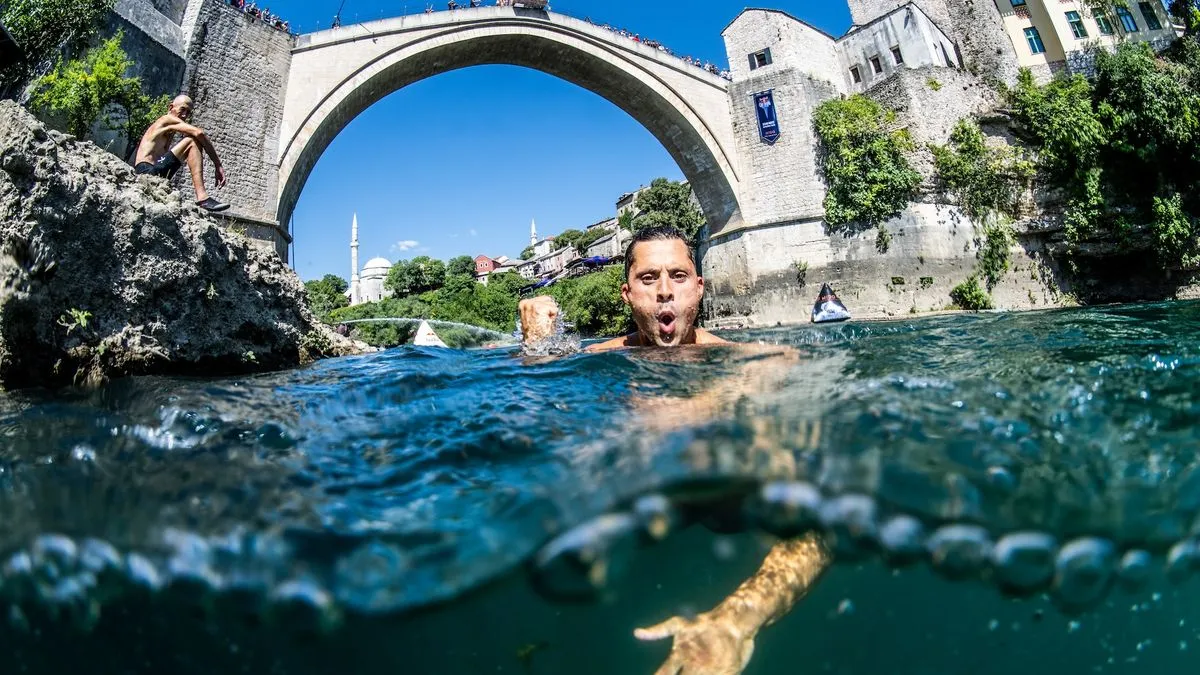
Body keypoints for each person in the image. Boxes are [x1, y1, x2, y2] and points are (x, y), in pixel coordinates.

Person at [517, 225, 831, 675]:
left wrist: (734, 623)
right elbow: (532, 427)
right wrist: (537, 350)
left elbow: (816, 531)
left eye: (679, 275)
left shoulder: (755, 364)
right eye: (649, 279)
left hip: (722, 496)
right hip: (638, 509)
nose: (665, 292)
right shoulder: (597, 359)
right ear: (627, 294)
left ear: (699, 287)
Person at [133, 95, 230, 212]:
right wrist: (217, 164)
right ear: (171, 108)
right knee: (192, 141)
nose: (184, 115)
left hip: (156, 173)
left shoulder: (169, 130)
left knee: (191, 141)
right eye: (182, 109)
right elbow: (199, 133)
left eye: (188, 112)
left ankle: (201, 199)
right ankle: (203, 198)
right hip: (146, 171)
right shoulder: (165, 119)